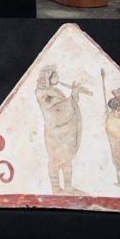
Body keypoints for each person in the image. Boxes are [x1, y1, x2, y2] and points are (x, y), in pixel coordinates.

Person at [35, 64, 88, 196]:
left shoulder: (55, 90)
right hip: (55, 132)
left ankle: (68, 186)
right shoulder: (42, 93)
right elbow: (55, 111)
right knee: (56, 159)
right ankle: (56, 188)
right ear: (48, 77)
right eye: (56, 75)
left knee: (66, 159)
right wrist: (72, 97)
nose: (58, 77)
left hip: (64, 131)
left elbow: (65, 107)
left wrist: (73, 97)